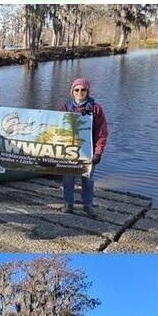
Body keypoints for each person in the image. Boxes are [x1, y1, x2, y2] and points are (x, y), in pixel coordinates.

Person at [60, 79, 108, 217]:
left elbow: (102, 133)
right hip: (69, 151)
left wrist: (98, 152)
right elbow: (56, 127)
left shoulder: (96, 109)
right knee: (68, 178)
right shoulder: (65, 107)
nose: (80, 93)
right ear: (72, 92)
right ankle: (68, 204)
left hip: (89, 152)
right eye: (76, 90)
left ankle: (87, 205)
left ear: (87, 91)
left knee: (87, 179)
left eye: (83, 90)